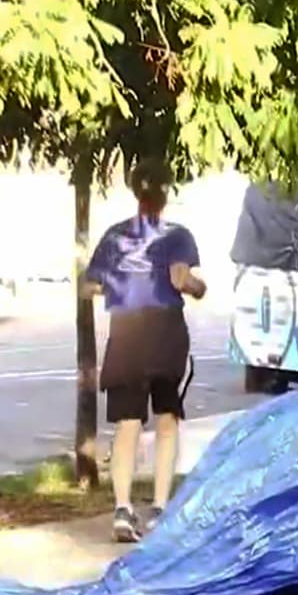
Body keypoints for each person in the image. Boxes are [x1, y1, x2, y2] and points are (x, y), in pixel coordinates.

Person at [81, 158, 206, 543]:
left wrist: (117, 285)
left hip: (127, 332)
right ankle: (160, 508)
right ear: (165, 194)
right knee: (167, 420)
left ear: (136, 193)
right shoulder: (177, 235)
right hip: (166, 332)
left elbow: (88, 287)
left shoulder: (115, 236)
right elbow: (180, 278)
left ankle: (122, 509)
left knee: (128, 423)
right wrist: (199, 288)